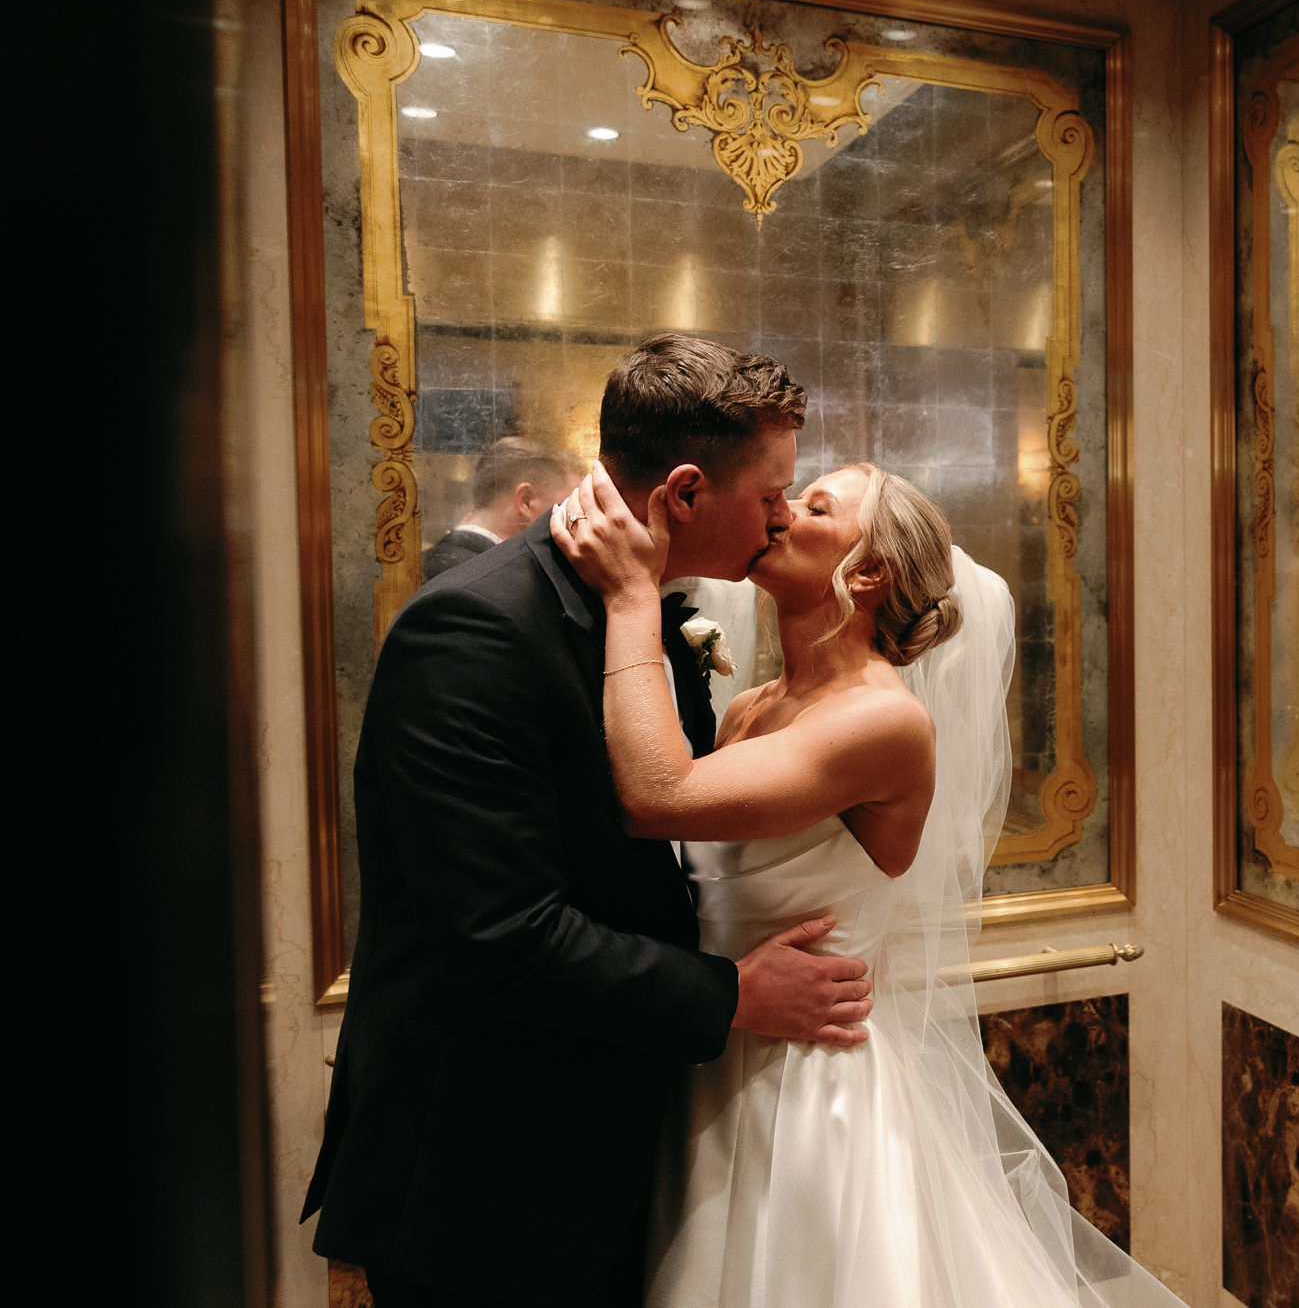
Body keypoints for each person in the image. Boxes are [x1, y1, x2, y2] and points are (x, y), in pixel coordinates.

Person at [301, 334, 876, 1308]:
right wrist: (733, 993)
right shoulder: (475, 627)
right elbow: (500, 935)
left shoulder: (640, 606)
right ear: (684, 493)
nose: (782, 515)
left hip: (610, 1140)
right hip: (489, 1179)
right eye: (773, 492)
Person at [552, 461, 1181, 1307]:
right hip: (715, 1041)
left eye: (813, 506)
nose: (779, 512)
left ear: (869, 572)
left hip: (806, 1077)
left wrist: (633, 594)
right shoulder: (749, 707)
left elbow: (657, 798)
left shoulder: (882, 720)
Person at [422, 436, 581, 581]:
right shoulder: (501, 578)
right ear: (525, 500)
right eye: (560, 508)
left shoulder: (426, 561)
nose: (567, 522)